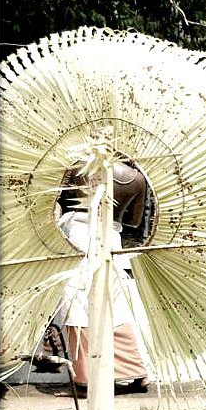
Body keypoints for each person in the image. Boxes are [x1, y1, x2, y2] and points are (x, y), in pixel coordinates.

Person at [56, 155, 151, 395]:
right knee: (116, 305)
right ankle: (136, 372)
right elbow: (134, 220)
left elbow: (53, 206)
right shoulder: (136, 177)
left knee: (76, 305)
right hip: (113, 239)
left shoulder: (74, 167)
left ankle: (84, 379)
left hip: (78, 237)